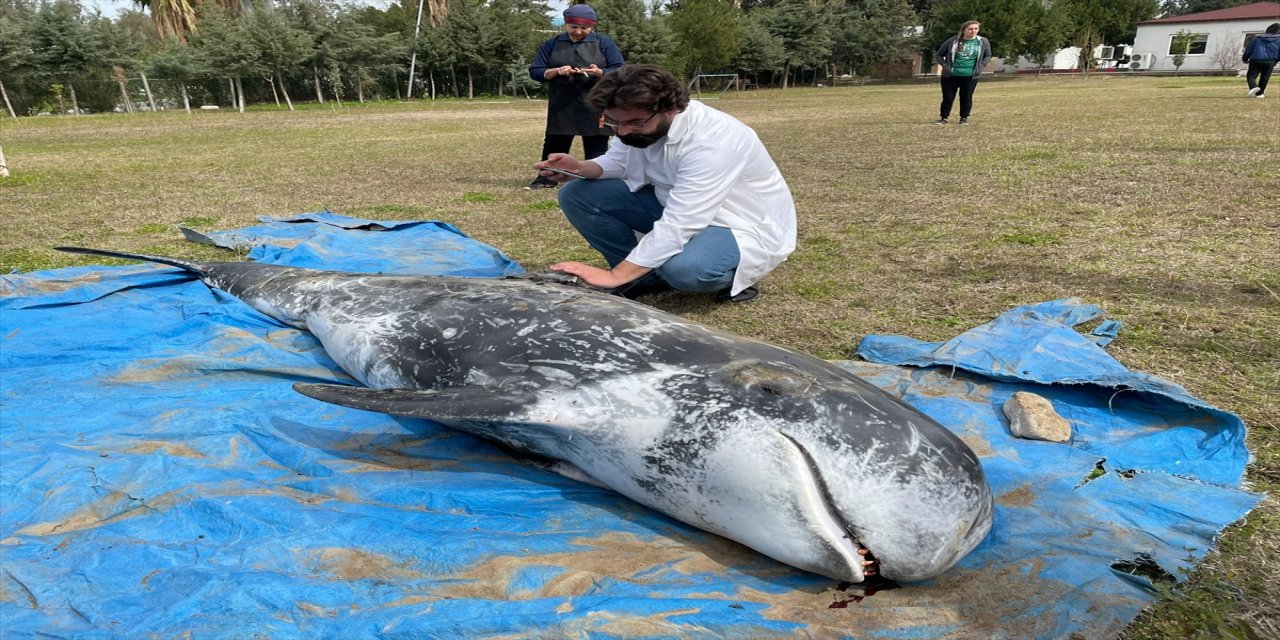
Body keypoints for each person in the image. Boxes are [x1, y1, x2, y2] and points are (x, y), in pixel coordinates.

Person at [535, 64, 796, 304]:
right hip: (673, 205)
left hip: (735, 222)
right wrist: (579, 168)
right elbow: (620, 161)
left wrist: (613, 276)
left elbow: (683, 221)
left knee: (684, 271)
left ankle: (735, 278)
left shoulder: (714, 141)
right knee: (577, 194)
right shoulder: (639, 125)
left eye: (634, 122)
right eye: (615, 122)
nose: (623, 132)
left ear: (670, 109)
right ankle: (643, 278)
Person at [526, 4, 625, 189]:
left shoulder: (605, 44)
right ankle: (547, 178)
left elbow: (620, 69)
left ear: (592, 26)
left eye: (584, 28)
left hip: (597, 100)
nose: (578, 32)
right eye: (573, 27)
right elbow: (535, 71)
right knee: (556, 140)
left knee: (596, 140)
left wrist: (600, 72)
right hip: (562, 101)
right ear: (565, 24)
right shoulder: (552, 44)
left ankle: (596, 179)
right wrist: (555, 71)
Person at [934, 20, 992, 125]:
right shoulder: (953, 41)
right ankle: (944, 117)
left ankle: (964, 118)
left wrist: (981, 66)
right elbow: (939, 55)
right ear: (964, 30)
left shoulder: (983, 41)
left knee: (966, 97)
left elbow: (988, 55)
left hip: (970, 75)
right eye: (970, 29)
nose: (973, 31)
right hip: (951, 75)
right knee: (948, 97)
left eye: (976, 29)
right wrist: (945, 66)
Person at [1243, 23, 1280, 99]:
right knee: (1265, 77)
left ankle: (1253, 87)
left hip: (1256, 59)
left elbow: (1249, 49)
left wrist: (1245, 58)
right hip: (1270, 61)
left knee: (1251, 76)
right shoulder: (1279, 40)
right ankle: (1260, 94)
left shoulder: (1256, 38)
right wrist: (1276, 60)